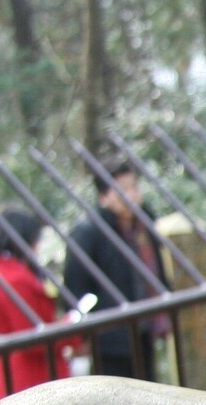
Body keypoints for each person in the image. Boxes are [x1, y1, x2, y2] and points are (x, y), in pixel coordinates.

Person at [62, 159, 170, 381]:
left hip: (145, 329)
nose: (131, 195)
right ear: (103, 197)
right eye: (122, 190)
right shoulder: (89, 233)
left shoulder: (144, 227)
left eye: (134, 187)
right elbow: (75, 289)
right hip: (109, 338)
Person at [0, 211, 83, 405]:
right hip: (31, 379)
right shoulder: (16, 279)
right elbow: (34, 340)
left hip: (6, 373)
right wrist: (71, 326)